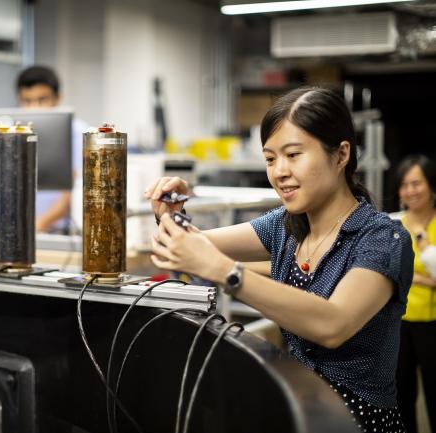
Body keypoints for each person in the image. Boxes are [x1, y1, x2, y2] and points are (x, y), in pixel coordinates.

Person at [146, 87, 413, 433]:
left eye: (293, 154)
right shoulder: (284, 227)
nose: (280, 171)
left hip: (357, 423)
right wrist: (173, 215)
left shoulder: (381, 238)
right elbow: (194, 245)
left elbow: (333, 324)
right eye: (271, 159)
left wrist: (227, 273)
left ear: (341, 154)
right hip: (299, 413)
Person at [16, 65, 86, 233]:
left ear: (58, 98)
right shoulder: (14, 135)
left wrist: (38, 225)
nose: (34, 108)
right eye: (27, 101)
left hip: (61, 233)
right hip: (23, 231)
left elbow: (75, 188)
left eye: (42, 100)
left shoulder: (79, 134)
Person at [395, 154, 436, 433]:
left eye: (417, 183)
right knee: (401, 393)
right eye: (405, 185)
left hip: (432, 323)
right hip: (398, 321)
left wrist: (422, 241)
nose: (410, 190)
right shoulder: (394, 225)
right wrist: (425, 279)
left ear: (431, 186)